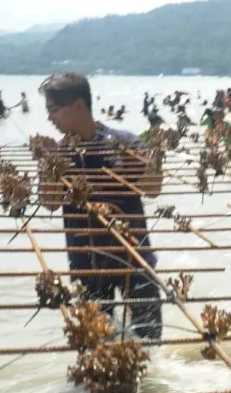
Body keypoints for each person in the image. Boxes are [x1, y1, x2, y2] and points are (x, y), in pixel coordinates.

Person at [37, 73, 163, 339]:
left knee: (150, 343)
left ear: (79, 105)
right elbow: (49, 203)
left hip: (134, 260)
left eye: (54, 110)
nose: (49, 118)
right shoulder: (57, 153)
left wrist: (156, 155)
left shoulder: (124, 143)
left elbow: (153, 189)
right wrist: (49, 163)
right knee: (96, 350)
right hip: (86, 266)